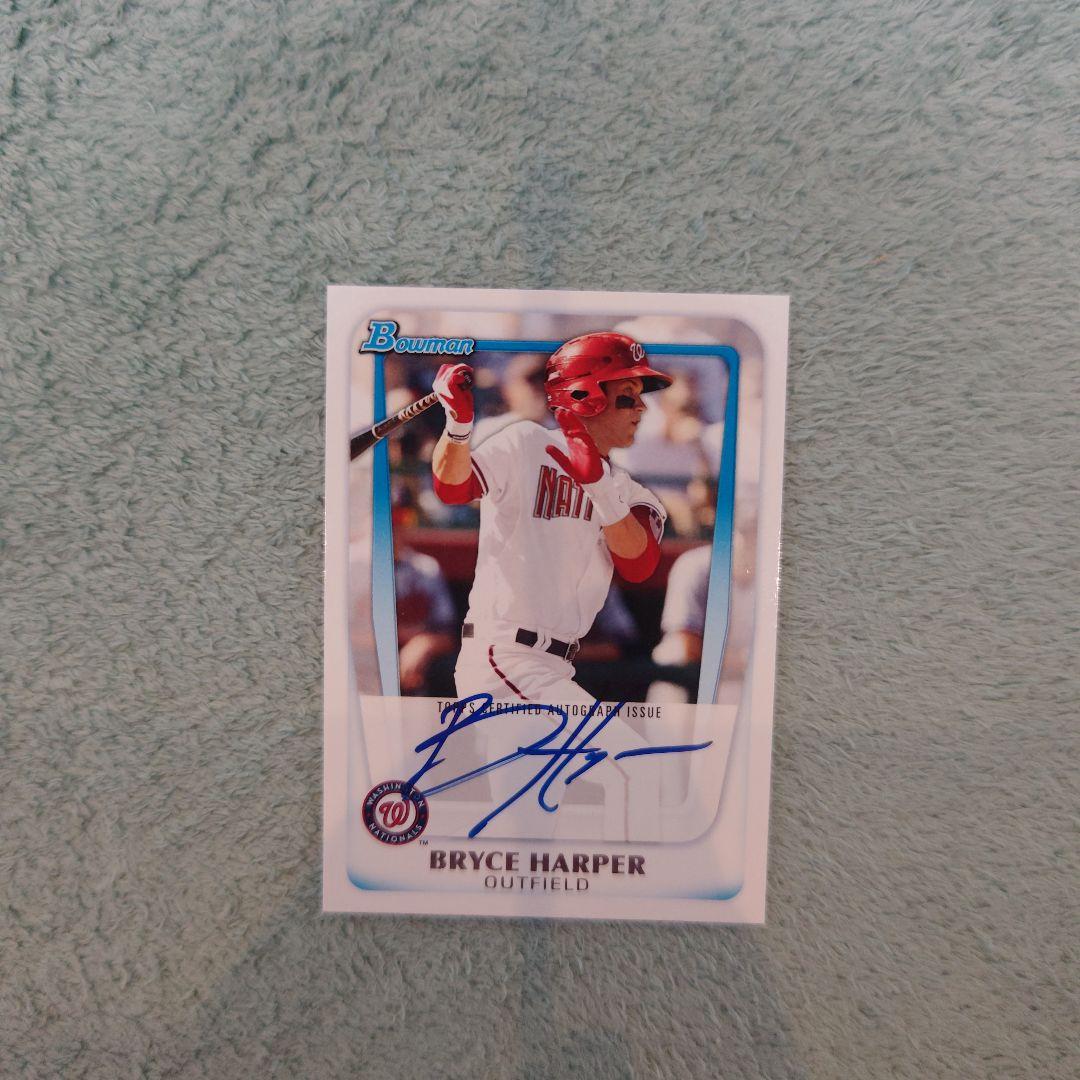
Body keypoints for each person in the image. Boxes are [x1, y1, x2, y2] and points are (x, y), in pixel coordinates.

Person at [428, 331, 673, 840]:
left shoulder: (631, 492)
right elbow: (452, 487)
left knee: (526, 838)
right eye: (627, 396)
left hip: (555, 665)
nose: (641, 409)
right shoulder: (525, 443)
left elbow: (640, 565)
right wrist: (458, 427)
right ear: (586, 395)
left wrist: (598, 487)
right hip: (504, 658)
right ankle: (633, 884)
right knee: (640, 771)